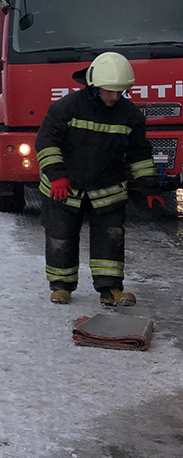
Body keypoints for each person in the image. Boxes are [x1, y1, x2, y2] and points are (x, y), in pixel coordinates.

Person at [35, 52, 162, 306]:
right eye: (110, 91)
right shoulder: (67, 107)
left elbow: (139, 152)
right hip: (64, 189)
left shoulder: (130, 115)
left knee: (110, 238)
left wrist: (149, 185)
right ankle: (61, 286)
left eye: (120, 92)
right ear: (94, 86)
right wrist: (57, 176)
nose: (115, 97)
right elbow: (47, 142)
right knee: (61, 236)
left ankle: (110, 290)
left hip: (108, 190)